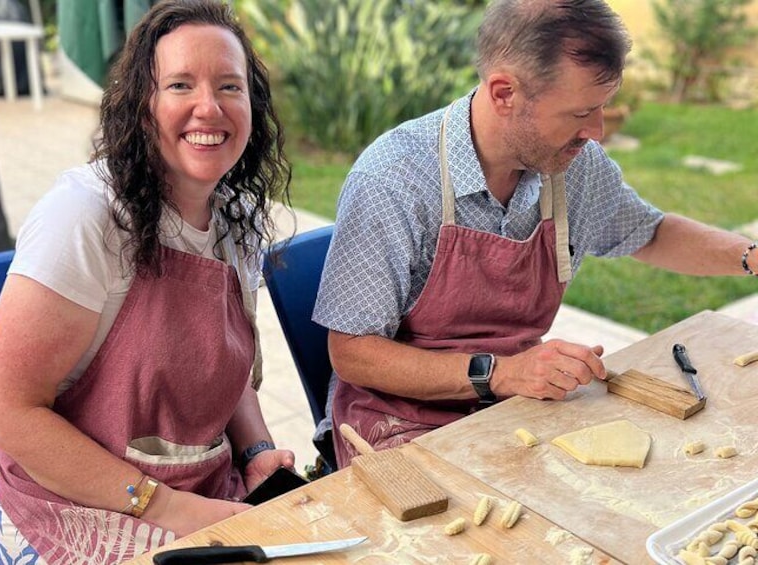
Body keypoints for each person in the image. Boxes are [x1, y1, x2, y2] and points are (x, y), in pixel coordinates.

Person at [312, 0, 757, 468]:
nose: (598, 132)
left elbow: (651, 233)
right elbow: (353, 354)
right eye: (582, 112)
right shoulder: (394, 180)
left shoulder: (576, 167)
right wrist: (502, 373)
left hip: (514, 406)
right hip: (396, 421)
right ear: (505, 93)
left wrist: (749, 256)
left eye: (603, 108)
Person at [0, 1, 294, 563]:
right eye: (179, 85)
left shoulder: (236, 216)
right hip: (64, 508)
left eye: (229, 86)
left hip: (195, 493)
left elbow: (221, 363)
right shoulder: (86, 217)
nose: (208, 107)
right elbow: (2, 410)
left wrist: (256, 449)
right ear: (142, 105)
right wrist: (163, 506)